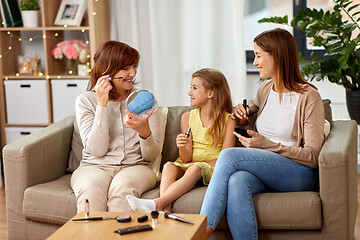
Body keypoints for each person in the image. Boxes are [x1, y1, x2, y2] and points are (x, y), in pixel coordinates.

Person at [200, 28, 325, 239]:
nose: (255, 62)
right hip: (268, 169)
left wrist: (266, 144)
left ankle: (201, 231)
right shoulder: (266, 89)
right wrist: (242, 109)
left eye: (259, 55)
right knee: (237, 180)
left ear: (277, 55)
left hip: (299, 173)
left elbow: (313, 157)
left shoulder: (309, 97)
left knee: (229, 156)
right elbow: (254, 106)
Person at [126, 68, 237, 213]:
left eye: (194, 88)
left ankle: (158, 203)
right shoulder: (187, 117)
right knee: (169, 166)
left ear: (210, 93)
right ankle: (164, 211)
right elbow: (186, 158)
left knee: (194, 169)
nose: (189, 92)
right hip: (191, 165)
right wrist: (182, 146)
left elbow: (226, 158)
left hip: (213, 168)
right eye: (190, 88)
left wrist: (194, 164)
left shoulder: (229, 120)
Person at [70, 41, 161, 212]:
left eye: (134, 66)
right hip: (94, 166)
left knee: (122, 191)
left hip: (136, 167)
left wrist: (144, 132)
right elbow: (97, 150)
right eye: (126, 68)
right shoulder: (85, 101)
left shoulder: (144, 99)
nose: (132, 73)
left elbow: (150, 156)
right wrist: (102, 105)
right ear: (108, 71)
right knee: (90, 190)